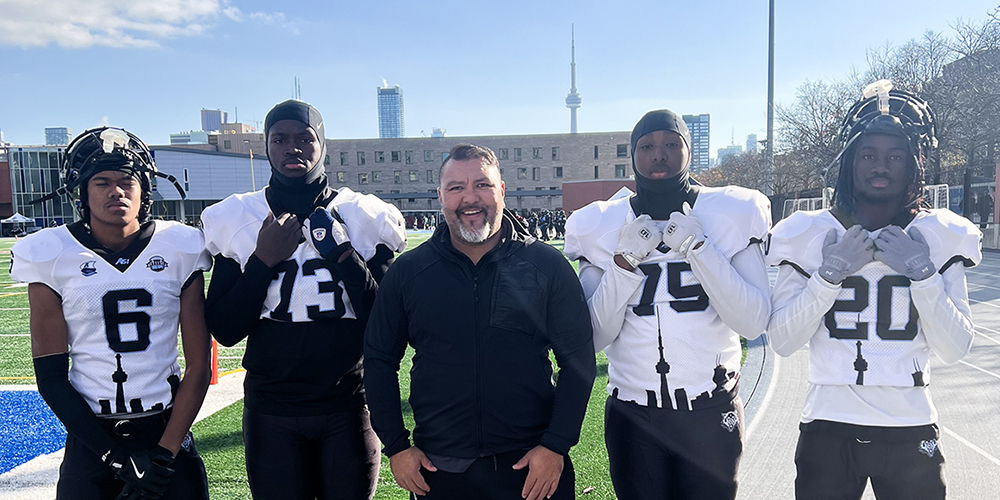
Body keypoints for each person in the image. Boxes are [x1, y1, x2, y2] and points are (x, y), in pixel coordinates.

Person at [765, 81, 982, 499]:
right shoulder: (809, 232)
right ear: (849, 161)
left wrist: (922, 273)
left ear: (913, 164)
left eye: (894, 156)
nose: (880, 166)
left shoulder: (939, 235)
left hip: (910, 424)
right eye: (868, 155)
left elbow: (956, 348)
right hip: (828, 424)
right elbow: (782, 341)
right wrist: (828, 275)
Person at [364, 144, 596, 500]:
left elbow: (578, 361)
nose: (470, 198)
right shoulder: (409, 273)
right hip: (440, 470)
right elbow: (379, 360)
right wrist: (396, 446)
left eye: (482, 185)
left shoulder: (546, 266)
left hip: (532, 468)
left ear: (502, 190)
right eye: (456, 187)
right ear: (440, 196)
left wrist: (556, 445)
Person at [200, 100, 406, 500]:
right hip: (271, 409)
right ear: (266, 146)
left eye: (304, 138)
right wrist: (261, 262)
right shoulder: (238, 216)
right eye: (280, 139)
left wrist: (345, 257)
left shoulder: (361, 213)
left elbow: (390, 323)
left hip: (347, 406)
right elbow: (224, 329)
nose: (292, 147)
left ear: (322, 144)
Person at [564, 109, 772, 500]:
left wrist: (700, 250)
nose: (658, 155)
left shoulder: (732, 212)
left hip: (710, 407)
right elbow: (591, 338)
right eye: (647, 146)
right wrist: (624, 265)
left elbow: (752, 322)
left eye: (671, 144)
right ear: (633, 155)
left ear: (688, 152)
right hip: (634, 410)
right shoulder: (599, 223)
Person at [12, 127, 212, 499]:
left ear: (144, 191)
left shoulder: (179, 247)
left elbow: (200, 367)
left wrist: (164, 455)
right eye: (102, 181)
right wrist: (116, 457)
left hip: (165, 430)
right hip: (92, 440)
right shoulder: (51, 253)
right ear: (82, 193)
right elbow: (51, 377)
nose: (116, 190)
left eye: (127, 181)